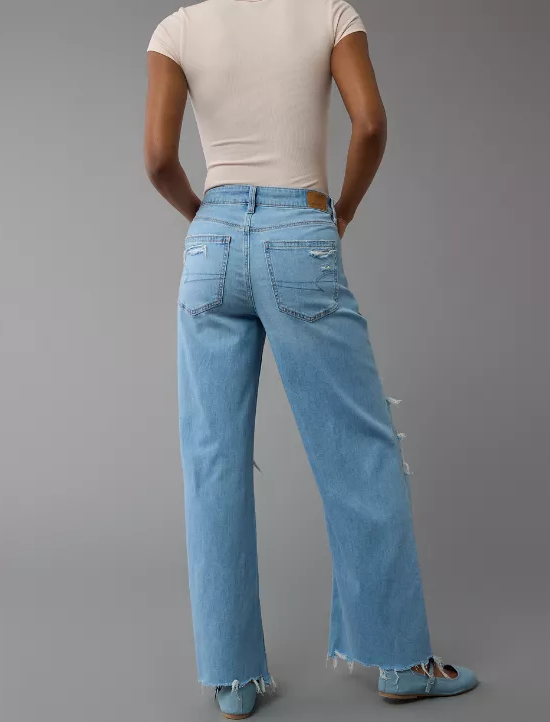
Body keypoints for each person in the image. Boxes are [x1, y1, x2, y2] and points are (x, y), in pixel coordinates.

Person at [144, 0, 478, 718]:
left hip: (210, 243)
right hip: (299, 234)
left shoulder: (177, 29)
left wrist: (206, 218)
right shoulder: (328, 15)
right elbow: (371, 124)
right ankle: (400, 662)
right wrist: (342, 210)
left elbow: (158, 159)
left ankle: (232, 681)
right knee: (359, 451)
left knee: (213, 461)